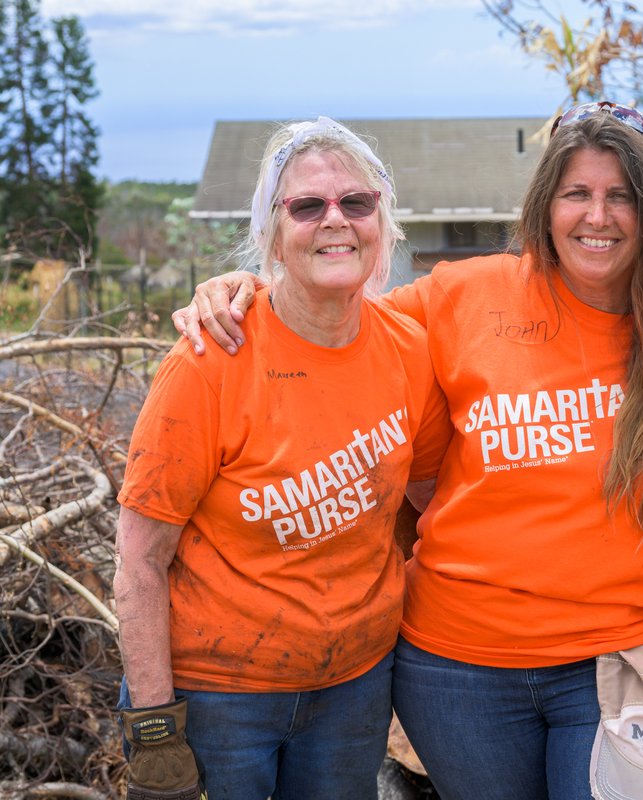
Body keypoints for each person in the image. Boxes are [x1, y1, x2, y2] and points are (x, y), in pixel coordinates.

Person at [172, 102, 643, 800]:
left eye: (621, 196)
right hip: (459, 671)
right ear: (545, 205)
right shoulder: (465, 296)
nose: (598, 216)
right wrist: (246, 289)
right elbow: (329, 318)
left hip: (628, 657)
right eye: (577, 194)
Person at [113, 117, 451, 800]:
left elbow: (432, 504)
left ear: (382, 222)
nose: (336, 220)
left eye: (356, 203)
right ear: (272, 230)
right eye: (307, 205)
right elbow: (141, 556)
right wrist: (154, 721)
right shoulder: (212, 360)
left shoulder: (409, 349)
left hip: (353, 689)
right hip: (221, 696)